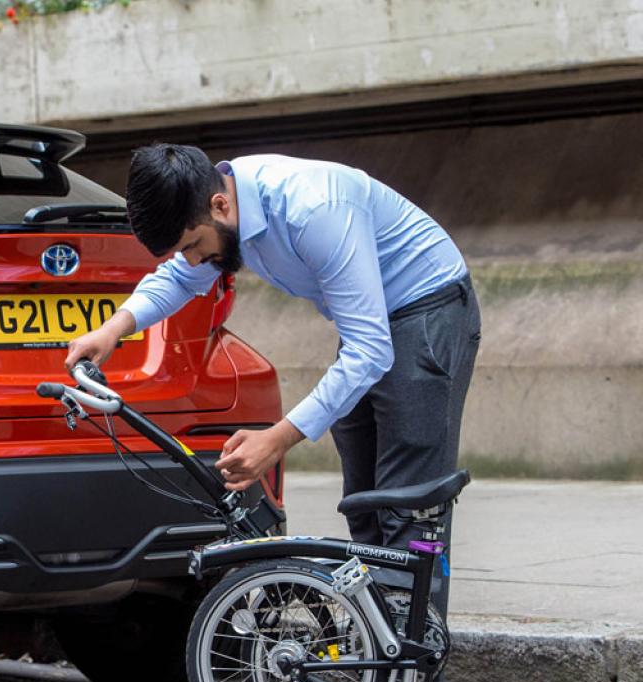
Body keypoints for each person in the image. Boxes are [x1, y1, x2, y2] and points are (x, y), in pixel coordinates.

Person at [64, 145, 481, 615]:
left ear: (220, 205)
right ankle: (379, 647)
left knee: (407, 506)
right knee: (364, 506)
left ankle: (417, 659)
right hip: (373, 324)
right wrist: (113, 330)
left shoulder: (312, 210)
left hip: (427, 311)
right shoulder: (226, 206)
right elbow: (178, 279)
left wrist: (276, 440)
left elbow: (369, 350)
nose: (194, 261)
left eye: (193, 245)